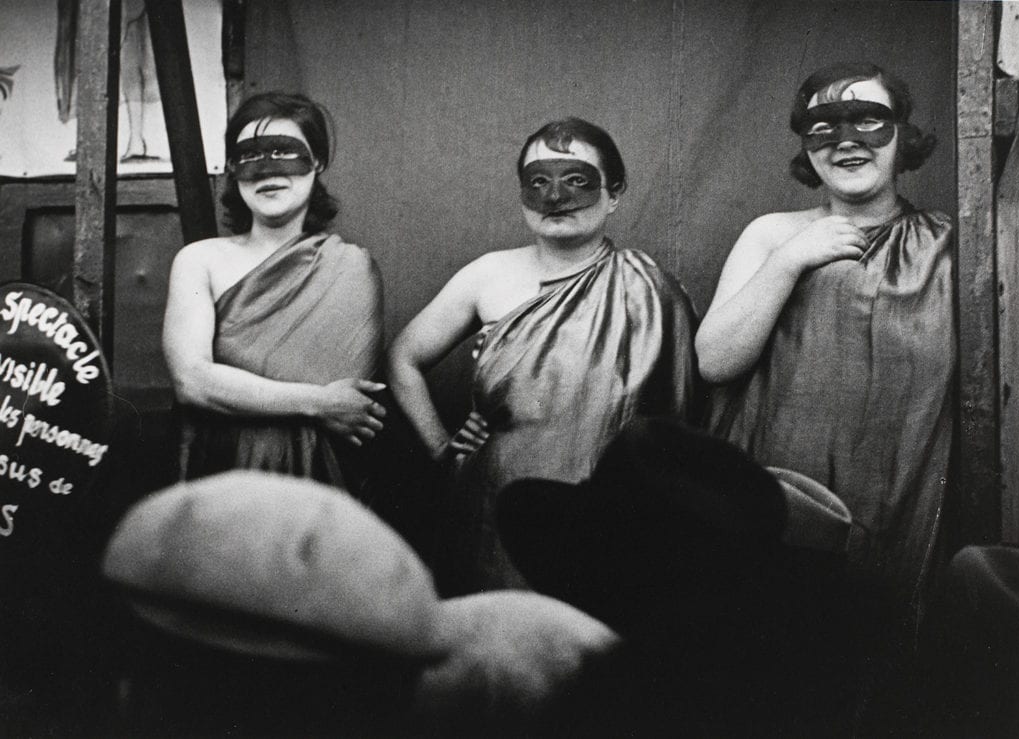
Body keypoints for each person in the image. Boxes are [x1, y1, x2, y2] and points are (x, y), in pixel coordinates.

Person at [696, 63, 954, 728]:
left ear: (904, 136)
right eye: (823, 126)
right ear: (806, 146)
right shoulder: (773, 234)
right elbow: (714, 359)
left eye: (869, 120)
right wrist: (793, 259)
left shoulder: (956, 247)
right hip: (780, 499)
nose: (848, 140)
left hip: (898, 505)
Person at [387, 117, 698, 593]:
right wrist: (440, 446)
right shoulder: (488, 275)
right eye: (538, 182)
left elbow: (678, 416)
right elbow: (403, 357)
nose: (554, 197)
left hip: (605, 512)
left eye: (576, 180)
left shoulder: (649, 289)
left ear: (613, 194)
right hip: (492, 506)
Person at [162, 92, 386, 490]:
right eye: (251, 157)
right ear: (233, 169)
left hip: (320, 478)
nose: (268, 171)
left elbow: (349, 399)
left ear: (317, 162)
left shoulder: (351, 267)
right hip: (219, 472)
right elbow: (192, 382)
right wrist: (317, 402)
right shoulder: (199, 261)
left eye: (286, 153)